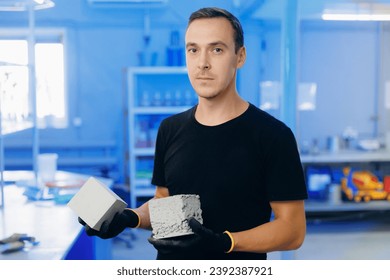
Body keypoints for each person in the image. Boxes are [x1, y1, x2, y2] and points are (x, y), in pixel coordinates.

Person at [79, 6, 308, 260]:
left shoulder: (273, 136)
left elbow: (293, 230)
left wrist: (225, 242)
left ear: (240, 57)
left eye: (217, 49)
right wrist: (130, 217)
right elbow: (165, 202)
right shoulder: (170, 129)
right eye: (193, 50)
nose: (203, 63)